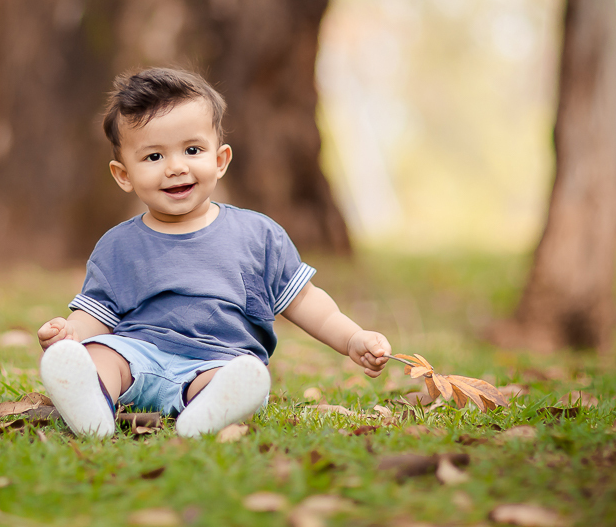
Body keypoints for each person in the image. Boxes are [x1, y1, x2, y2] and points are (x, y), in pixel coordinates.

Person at [37, 67, 392, 438]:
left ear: (220, 160)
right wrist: (70, 332)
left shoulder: (258, 235)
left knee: (240, 376)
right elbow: (97, 313)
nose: (176, 168)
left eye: (192, 150)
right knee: (101, 355)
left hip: (216, 362)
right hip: (137, 356)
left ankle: (206, 414)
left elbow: (304, 300)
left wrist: (351, 338)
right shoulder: (118, 245)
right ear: (124, 174)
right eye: (154, 157)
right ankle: (92, 409)